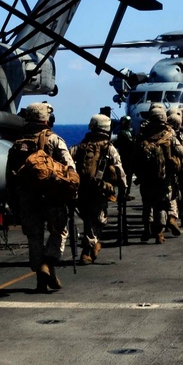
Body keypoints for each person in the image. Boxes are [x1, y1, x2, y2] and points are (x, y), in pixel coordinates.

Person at [6, 102, 76, 293]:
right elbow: (70, 167)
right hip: (52, 196)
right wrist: (71, 193)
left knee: (34, 237)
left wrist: (13, 201)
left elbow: (10, 177)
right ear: (46, 119)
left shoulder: (17, 144)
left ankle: (41, 279)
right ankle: (48, 262)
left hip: (27, 198)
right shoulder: (54, 140)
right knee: (59, 231)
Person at [69, 113, 126, 264]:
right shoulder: (109, 148)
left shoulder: (79, 146)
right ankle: (88, 250)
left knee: (89, 218)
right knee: (97, 220)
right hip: (100, 190)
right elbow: (119, 170)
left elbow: (67, 164)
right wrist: (123, 188)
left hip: (81, 189)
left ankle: (92, 245)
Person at [136, 103, 183, 243]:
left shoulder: (142, 136)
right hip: (164, 177)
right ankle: (159, 233)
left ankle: (146, 229)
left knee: (147, 204)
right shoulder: (169, 135)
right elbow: (181, 152)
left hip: (146, 177)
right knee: (161, 204)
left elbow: (135, 156)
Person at [113, 115, 137, 197]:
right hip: (127, 157)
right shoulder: (125, 133)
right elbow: (132, 143)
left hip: (125, 156)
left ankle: (124, 193)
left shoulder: (122, 133)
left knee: (125, 176)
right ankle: (124, 194)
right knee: (127, 176)